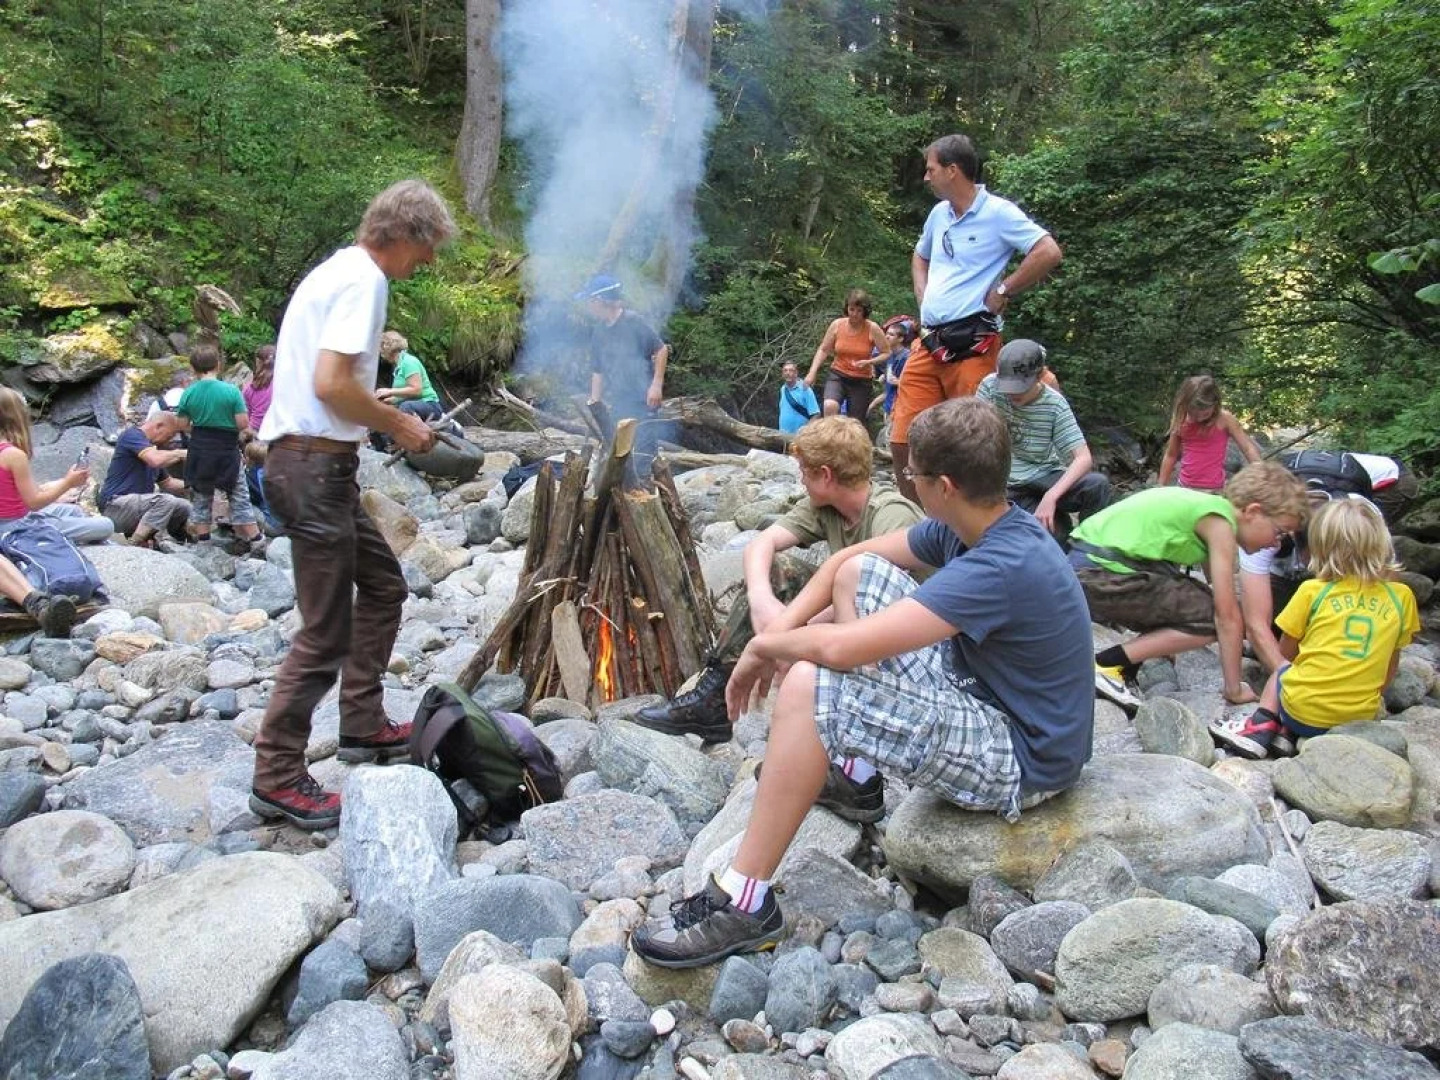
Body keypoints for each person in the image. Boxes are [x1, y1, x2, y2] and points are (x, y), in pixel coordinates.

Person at [630, 398, 1094, 968]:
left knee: (807, 683)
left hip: (1022, 758)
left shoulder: (1000, 564)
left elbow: (842, 649)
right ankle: (855, 774)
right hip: (986, 696)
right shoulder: (971, 526)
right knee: (860, 572)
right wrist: (783, 624)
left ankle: (747, 902)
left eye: (912, 475)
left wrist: (764, 645)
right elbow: (840, 566)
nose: (905, 483)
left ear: (942, 486)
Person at [249, 178, 450, 830]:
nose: (428, 264)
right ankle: (277, 774)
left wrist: (371, 407)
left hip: (313, 462)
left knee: (385, 585)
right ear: (407, 236)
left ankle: (361, 722)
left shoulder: (338, 271)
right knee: (325, 629)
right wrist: (401, 426)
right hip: (312, 469)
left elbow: (331, 387)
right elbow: (331, 383)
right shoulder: (366, 280)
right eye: (427, 250)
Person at [635, 416, 921, 743]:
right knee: (777, 568)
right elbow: (761, 544)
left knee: (843, 584)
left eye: (803, 473)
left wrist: (790, 630)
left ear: (825, 476)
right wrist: (760, 599)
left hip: (909, 642)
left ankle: (851, 734)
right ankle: (714, 700)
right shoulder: (826, 506)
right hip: (849, 616)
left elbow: (880, 603)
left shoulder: (891, 515)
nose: (800, 481)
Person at [890, 133, 1063, 503]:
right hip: (929, 340)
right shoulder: (939, 214)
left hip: (973, 343)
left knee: (973, 442)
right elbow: (920, 255)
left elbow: (1047, 250)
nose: (925, 176)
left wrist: (1005, 290)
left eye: (931, 169)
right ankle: (917, 517)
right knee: (903, 437)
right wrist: (922, 292)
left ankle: (976, 523)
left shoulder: (998, 213)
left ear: (953, 171)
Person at [1070, 461, 1308, 711]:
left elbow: (1201, 586)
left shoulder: (1208, 507)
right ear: (1253, 511)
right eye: (1279, 532)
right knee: (1207, 617)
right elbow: (1225, 617)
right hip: (1100, 572)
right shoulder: (1220, 523)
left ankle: (1125, 667)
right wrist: (1234, 689)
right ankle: (1107, 664)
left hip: (1089, 565)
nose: (1276, 544)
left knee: (1194, 598)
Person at [1212, 497, 1418, 758]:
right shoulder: (1402, 597)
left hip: (1302, 711)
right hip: (1357, 716)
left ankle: (1262, 726)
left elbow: (1286, 655)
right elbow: (1391, 661)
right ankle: (1287, 734)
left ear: (1320, 547)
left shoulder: (1312, 591)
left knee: (1284, 671)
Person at [1238, 449, 1414, 673]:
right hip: (1287, 543)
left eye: (1329, 561)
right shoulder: (1262, 526)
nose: (1320, 570)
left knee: (1357, 589)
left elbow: (1389, 595)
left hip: (1393, 480)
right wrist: (1285, 678)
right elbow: (1256, 624)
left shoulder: (1363, 520)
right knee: (1275, 625)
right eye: (1319, 561)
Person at [975, 340, 1109, 536]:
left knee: (1097, 485)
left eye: (1020, 388)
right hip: (1009, 480)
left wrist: (1052, 496)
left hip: (1046, 475)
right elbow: (973, 433)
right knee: (1054, 537)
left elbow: (1083, 458)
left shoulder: (1055, 404)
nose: (1012, 393)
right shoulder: (990, 387)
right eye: (1008, 386)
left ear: (1039, 376)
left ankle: (1089, 543)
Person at [174, 343, 263, 552]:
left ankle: (203, 541)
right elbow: (242, 424)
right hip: (226, 448)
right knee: (238, 492)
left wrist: (199, 427)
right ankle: (256, 538)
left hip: (199, 448)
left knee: (202, 494)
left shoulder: (188, 393)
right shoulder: (231, 391)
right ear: (218, 365)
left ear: (193, 368)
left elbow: (181, 425)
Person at [0, 388, 113, 544]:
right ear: (16, 417)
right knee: (107, 525)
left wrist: (59, 483)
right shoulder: (13, 455)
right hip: (16, 527)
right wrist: (68, 483)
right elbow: (34, 503)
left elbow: (18, 492)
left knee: (72, 510)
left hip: (12, 519)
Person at [579, 274, 669, 469]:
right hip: (620, 400)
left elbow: (661, 349)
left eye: (589, 301)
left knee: (643, 455)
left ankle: (645, 493)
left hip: (643, 399)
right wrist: (595, 401)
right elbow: (597, 369)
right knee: (619, 454)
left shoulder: (633, 322)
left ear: (600, 301)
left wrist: (656, 385)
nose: (588, 306)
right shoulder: (599, 331)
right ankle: (625, 493)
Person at [97, 412, 191, 549]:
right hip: (115, 505)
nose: (169, 440)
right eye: (170, 435)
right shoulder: (133, 435)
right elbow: (155, 460)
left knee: (184, 506)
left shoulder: (152, 450)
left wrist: (197, 485)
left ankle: (183, 542)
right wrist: (179, 453)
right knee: (165, 501)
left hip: (136, 506)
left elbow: (169, 483)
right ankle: (133, 545)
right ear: (159, 426)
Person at [1156, 375, 1261, 491]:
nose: (1199, 418)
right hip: (1184, 487)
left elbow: (1247, 448)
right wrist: (1161, 487)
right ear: (1185, 405)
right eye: (1193, 414)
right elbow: (1171, 455)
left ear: (1215, 405)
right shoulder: (1181, 420)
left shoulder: (1224, 419)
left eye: (1205, 414)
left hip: (1214, 489)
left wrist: (1261, 473)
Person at [803, 289, 888, 420]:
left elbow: (886, 353)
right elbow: (824, 349)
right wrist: (812, 372)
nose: (854, 314)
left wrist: (869, 362)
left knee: (855, 421)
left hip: (861, 380)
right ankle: (830, 438)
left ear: (865, 312)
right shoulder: (837, 325)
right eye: (852, 309)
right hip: (838, 374)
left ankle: (848, 439)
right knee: (829, 406)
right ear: (847, 308)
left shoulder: (873, 328)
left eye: (859, 311)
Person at [375, 330, 443, 422]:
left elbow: (416, 390)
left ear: (386, 347)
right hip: (411, 403)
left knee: (406, 406)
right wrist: (387, 401)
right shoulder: (398, 367)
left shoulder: (408, 362)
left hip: (430, 405)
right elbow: (405, 395)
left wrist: (389, 391)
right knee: (383, 412)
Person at [777, 361, 819, 434]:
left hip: (799, 437)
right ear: (782, 374)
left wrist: (806, 431)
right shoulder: (783, 389)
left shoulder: (805, 389)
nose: (788, 373)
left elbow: (816, 414)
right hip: (783, 436)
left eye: (791, 370)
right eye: (785, 370)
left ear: (796, 373)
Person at [244, 344, 276, 435]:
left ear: (258, 362)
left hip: (253, 432)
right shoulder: (282, 385)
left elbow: (246, 413)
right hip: (276, 431)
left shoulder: (250, 386)